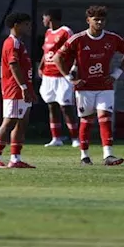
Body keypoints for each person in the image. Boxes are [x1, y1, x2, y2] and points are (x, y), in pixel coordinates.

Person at [54, 5, 124, 166]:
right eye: (96, 20)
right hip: (84, 87)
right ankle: (84, 156)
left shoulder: (112, 38)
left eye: (102, 20)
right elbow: (57, 57)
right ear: (88, 20)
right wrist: (69, 78)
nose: (100, 23)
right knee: (87, 121)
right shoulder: (78, 39)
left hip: (105, 86)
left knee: (105, 118)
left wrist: (116, 74)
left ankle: (108, 155)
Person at [0, 12, 36, 169]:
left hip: (23, 88)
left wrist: (29, 88)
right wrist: (23, 87)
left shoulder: (19, 43)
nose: (29, 27)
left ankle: (15, 159)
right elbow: (13, 65)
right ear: (16, 25)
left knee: (22, 123)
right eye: (26, 24)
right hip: (14, 89)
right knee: (9, 122)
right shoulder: (12, 43)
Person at [38, 9, 78, 148]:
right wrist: (41, 66)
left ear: (50, 18)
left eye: (44, 17)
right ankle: (56, 138)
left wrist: (74, 68)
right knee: (52, 105)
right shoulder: (48, 33)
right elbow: (46, 52)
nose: (43, 20)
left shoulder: (65, 31)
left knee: (66, 106)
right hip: (48, 75)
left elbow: (75, 50)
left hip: (62, 75)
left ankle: (75, 138)